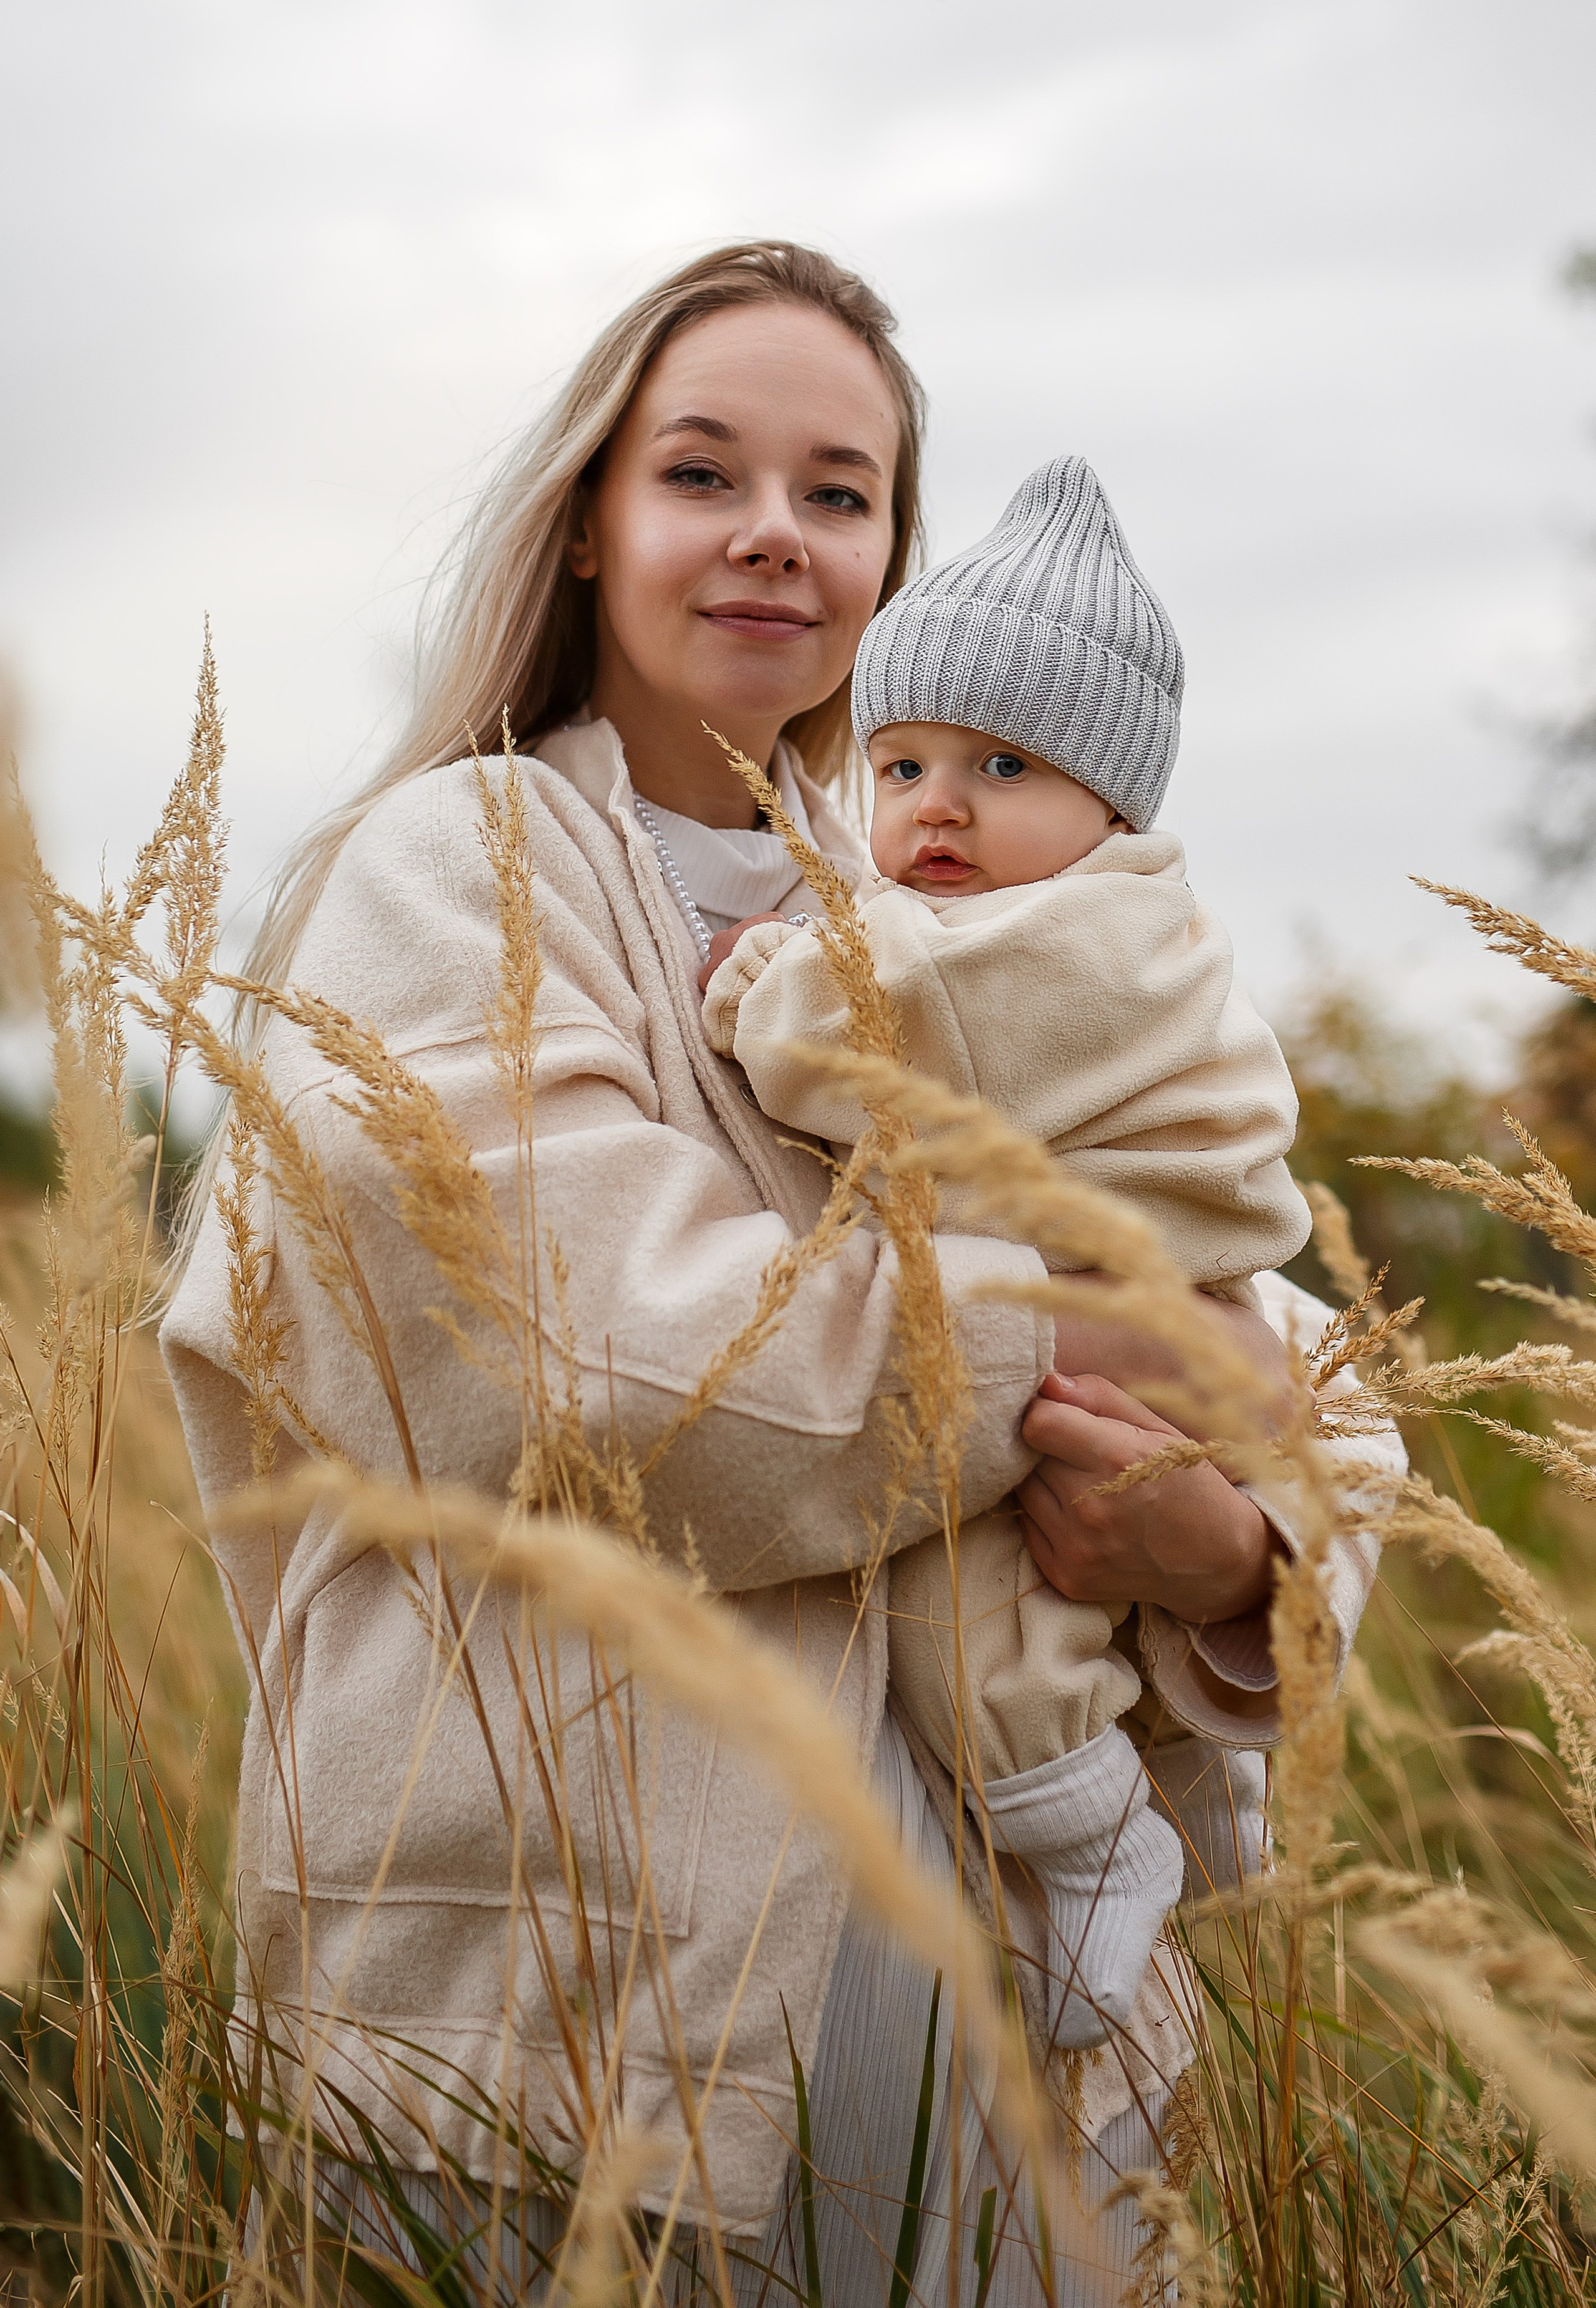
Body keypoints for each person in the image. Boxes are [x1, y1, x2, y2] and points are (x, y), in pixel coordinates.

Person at [160, 241, 1395, 2304]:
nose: (773, 534)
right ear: (587, 523)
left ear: (892, 559)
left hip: (1029, 2052)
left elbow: (1293, 1353)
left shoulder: (963, 909)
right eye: (702, 473)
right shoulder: (457, 872)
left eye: (840, 492)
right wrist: (1098, 1340)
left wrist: (1226, 1555)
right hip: (572, 2048)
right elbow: (597, 1369)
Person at [698, 453, 1315, 2054]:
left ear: (1112, 804)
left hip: (1108, 1306)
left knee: (966, 1600)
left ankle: (1089, 1836)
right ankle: (1193, 1813)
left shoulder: (1064, 940)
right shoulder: (1074, 924)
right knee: (1064, 1582)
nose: (936, 807)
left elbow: (867, 1037)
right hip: (1141, 1314)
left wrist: (755, 983)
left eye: (1000, 765)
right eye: (898, 764)